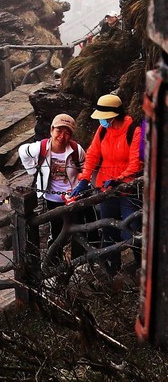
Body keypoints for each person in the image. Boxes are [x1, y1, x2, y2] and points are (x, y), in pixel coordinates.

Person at [71, 94, 143, 272]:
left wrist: (119, 180)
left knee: (132, 230)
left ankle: (142, 269)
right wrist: (84, 179)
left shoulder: (134, 131)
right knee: (108, 229)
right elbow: (93, 155)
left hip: (129, 191)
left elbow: (136, 163)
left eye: (104, 117)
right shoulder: (103, 130)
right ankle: (112, 270)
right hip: (106, 190)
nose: (101, 120)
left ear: (113, 115)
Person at [19, 114, 88, 259]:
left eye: (67, 132)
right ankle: (54, 263)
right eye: (59, 131)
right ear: (51, 130)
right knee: (56, 231)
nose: (62, 136)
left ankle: (78, 261)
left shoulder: (76, 150)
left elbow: (85, 170)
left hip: (73, 197)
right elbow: (22, 151)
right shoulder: (41, 147)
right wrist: (32, 170)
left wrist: (81, 186)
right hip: (52, 198)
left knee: (79, 229)